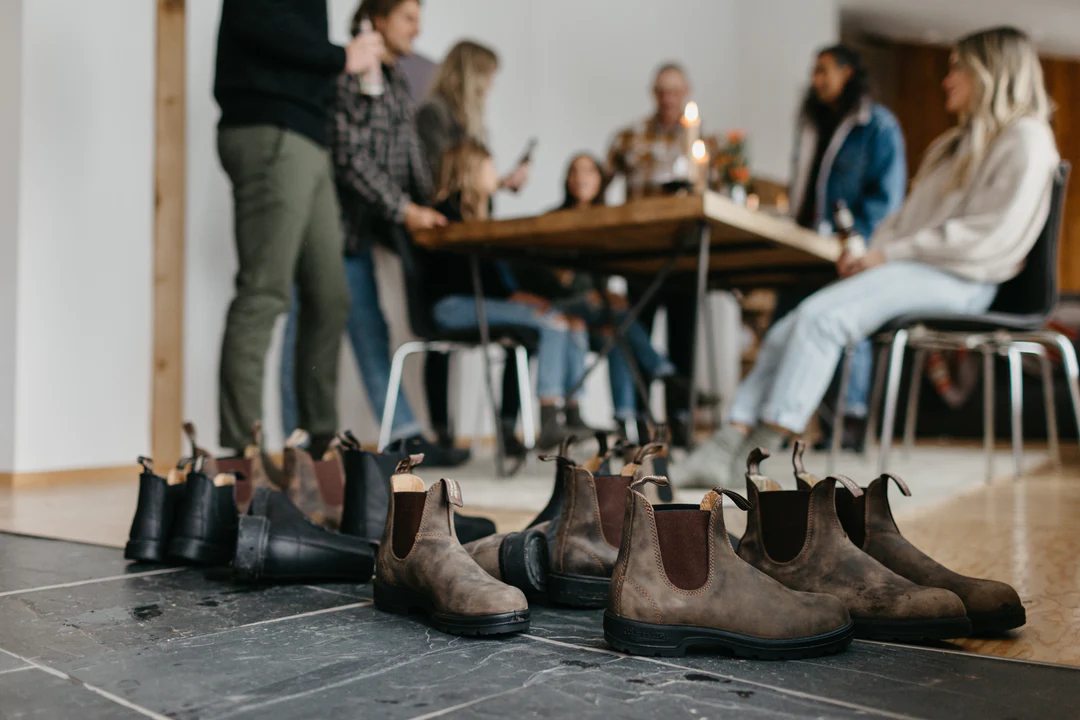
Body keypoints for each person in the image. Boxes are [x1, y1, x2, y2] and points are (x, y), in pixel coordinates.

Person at [675, 26, 1059, 488]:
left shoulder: (1027, 139)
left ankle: (757, 452)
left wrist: (887, 254)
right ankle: (725, 442)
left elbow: (985, 235)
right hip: (921, 265)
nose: (947, 79)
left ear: (993, 72)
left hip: (968, 278)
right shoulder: (953, 146)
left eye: (958, 68)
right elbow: (904, 221)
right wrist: (870, 251)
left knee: (821, 320)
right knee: (789, 324)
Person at [278, 0, 467, 466]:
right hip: (324, 225)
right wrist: (403, 210)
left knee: (366, 330)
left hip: (357, 234)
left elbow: (407, 156)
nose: (416, 28)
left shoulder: (398, 81)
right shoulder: (348, 74)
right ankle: (297, 441)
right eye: (408, 18)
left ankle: (401, 437)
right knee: (309, 329)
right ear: (377, 20)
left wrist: (435, 203)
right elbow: (348, 156)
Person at [213, 0, 383, 457]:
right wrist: (340, 57)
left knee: (331, 295)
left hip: (308, 137)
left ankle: (318, 450)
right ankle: (241, 459)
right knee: (264, 292)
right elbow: (257, 21)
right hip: (271, 128)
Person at [779, 44, 908, 450]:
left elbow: (886, 197)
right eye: (814, 72)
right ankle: (783, 421)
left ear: (849, 73)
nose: (816, 80)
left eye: (825, 71)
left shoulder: (878, 126)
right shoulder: (813, 124)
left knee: (849, 325)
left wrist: (859, 243)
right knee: (790, 319)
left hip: (852, 246)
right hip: (808, 244)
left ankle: (848, 423)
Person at [422, 141, 589, 450]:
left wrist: (515, 295)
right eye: (491, 167)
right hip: (451, 306)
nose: (497, 175)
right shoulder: (449, 212)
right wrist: (512, 296)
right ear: (473, 172)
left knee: (560, 319)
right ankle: (551, 418)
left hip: (473, 303)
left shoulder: (478, 212)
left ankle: (570, 412)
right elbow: (465, 276)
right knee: (552, 321)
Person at [514, 154, 687, 438]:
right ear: (567, 180)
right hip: (558, 306)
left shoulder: (609, 221)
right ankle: (664, 373)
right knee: (606, 306)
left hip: (593, 312)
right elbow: (542, 276)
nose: (581, 177)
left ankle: (625, 422)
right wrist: (579, 285)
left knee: (615, 336)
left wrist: (606, 295)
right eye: (574, 171)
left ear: (600, 180)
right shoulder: (553, 220)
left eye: (589, 171)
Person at [414, 40, 530, 451]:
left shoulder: (466, 123)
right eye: (488, 77)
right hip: (445, 260)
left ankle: (500, 427)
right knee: (447, 345)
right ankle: (443, 432)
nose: (491, 86)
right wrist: (490, 185)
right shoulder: (434, 117)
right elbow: (444, 179)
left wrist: (496, 186)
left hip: (462, 257)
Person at [607, 63, 719, 447]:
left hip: (685, 254)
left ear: (686, 91)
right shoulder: (628, 137)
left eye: (675, 91)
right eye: (661, 91)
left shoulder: (704, 141)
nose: (668, 98)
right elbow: (597, 182)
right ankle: (638, 424)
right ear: (652, 93)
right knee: (638, 337)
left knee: (683, 340)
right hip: (642, 254)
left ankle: (681, 423)